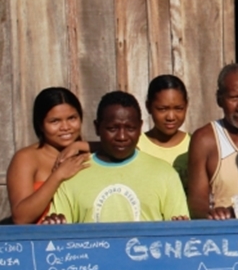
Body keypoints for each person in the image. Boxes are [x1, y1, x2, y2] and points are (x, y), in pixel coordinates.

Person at [43, 91, 189, 223]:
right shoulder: (73, 173)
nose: (122, 137)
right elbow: (60, 234)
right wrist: (55, 223)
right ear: (97, 127)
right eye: (112, 129)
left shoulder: (164, 173)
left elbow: (177, 234)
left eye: (130, 128)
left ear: (140, 128)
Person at [186, 63, 238, 218]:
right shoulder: (205, 140)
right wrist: (214, 216)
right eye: (234, 98)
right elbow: (197, 201)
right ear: (219, 99)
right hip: (225, 232)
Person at [6, 87, 90, 224]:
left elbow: (128, 147)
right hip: (40, 242)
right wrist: (58, 176)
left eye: (72, 118)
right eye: (55, 121)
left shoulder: (87, 154)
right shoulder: (27, 158)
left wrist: (79, 145)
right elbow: (20, 217)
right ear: (40, 124)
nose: (65, 127)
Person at [138, 74, 191, 190]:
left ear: (186, 106)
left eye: (178, 108)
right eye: (162, 109)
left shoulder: (195, 145)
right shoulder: (136, 147)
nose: (171, 117)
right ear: (148, 107)